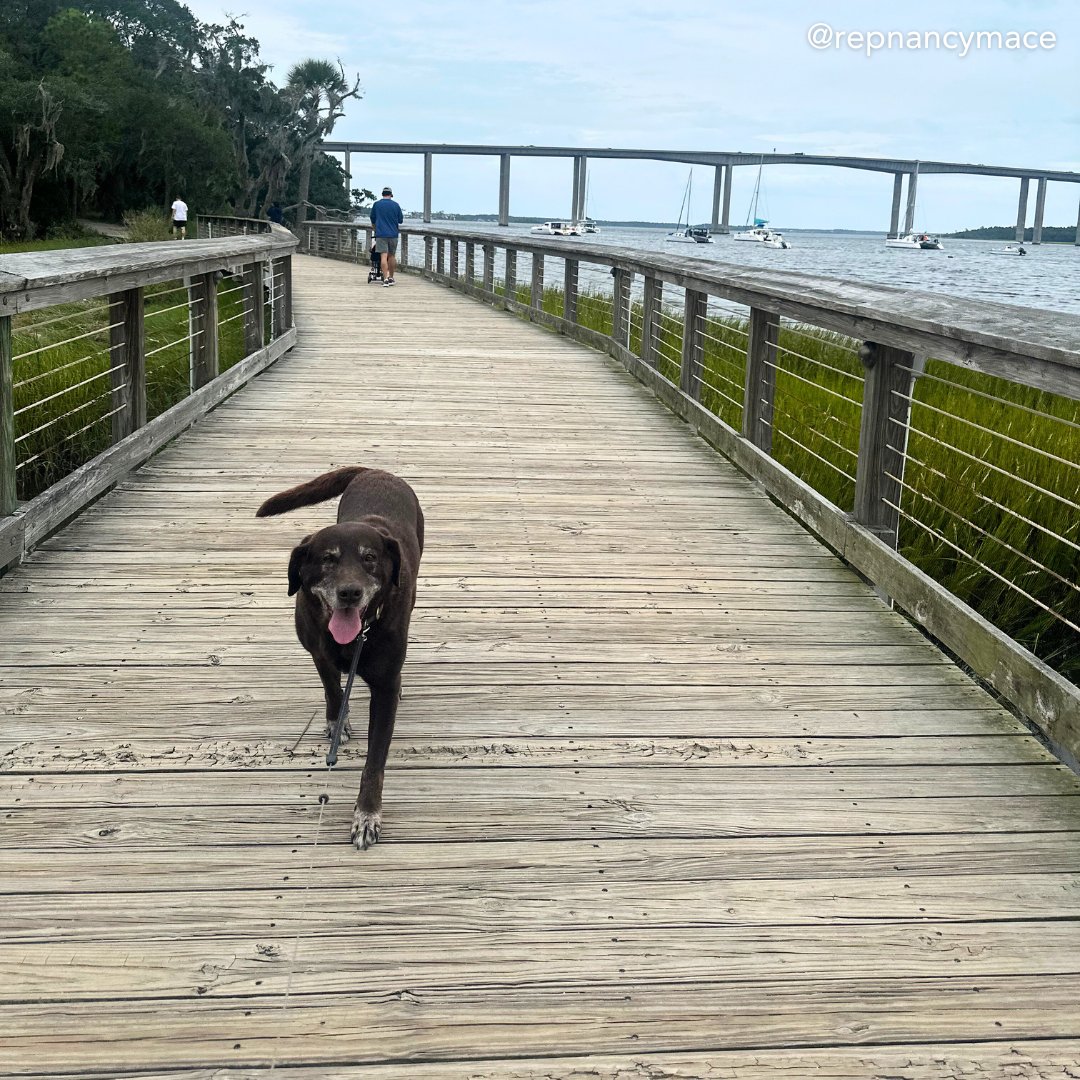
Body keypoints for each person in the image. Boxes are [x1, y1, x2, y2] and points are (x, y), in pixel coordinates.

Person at [370, 186, 403, 286]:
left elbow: (372, 219)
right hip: (393, 234)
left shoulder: (377, 205)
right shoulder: (396, 205)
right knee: (392, 256)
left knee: (383, 256)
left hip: (381, 234)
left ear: (382, 194)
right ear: (391, 195)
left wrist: (375, 229)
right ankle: (391, 278)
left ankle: (385, 279)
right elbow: (400, 220)